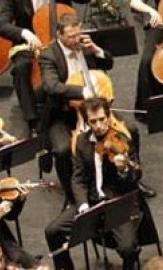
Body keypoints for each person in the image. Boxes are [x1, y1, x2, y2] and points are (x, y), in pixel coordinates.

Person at [44, 97, 159, 270]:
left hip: (118, 202)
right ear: (87, 121)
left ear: (108, 116)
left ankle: (129, 267)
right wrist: (82, 206)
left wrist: (124, 170)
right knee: (52, 231)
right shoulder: (81, 142)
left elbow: (134, 178)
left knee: (127, 247)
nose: (99, 126)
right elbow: (77, 179)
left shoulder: (123, 140)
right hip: (91, 200)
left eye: (102, 119)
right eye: (93, 122)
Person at [37, 13, 113, 204]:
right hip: (63, 113)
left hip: (93, 111)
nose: (75, 40)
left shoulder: (84, 46)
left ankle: (125, 178)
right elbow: (51, 86)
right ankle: (73, 196)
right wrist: (81, 91)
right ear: (59, 35)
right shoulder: (49, 55)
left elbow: (108, 63)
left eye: (77, 34)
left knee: (130, 130)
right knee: (62, 150)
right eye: (71, 36)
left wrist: (95, 49)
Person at [0, 0, 88, 130]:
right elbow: (0, 26)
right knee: (21, 66)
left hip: (63, 40)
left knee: (84, 54)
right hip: (30, 43)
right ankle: (32, 118)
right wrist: (24, 33)